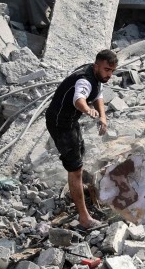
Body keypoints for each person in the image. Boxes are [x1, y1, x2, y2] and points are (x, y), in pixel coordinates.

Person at [45, 49, 118, 229]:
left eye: (112, 71)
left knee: (79, 156)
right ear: (96, 66)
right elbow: (80, 99)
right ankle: (84, 218)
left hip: (71, 122)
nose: (109, 75)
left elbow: (98, 94)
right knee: (75, 169)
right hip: (60, 124)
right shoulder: (84, 80)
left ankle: (77, 188)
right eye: (106, 70)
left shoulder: (97, 77)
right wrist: (87, 110)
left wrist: (103, 117)